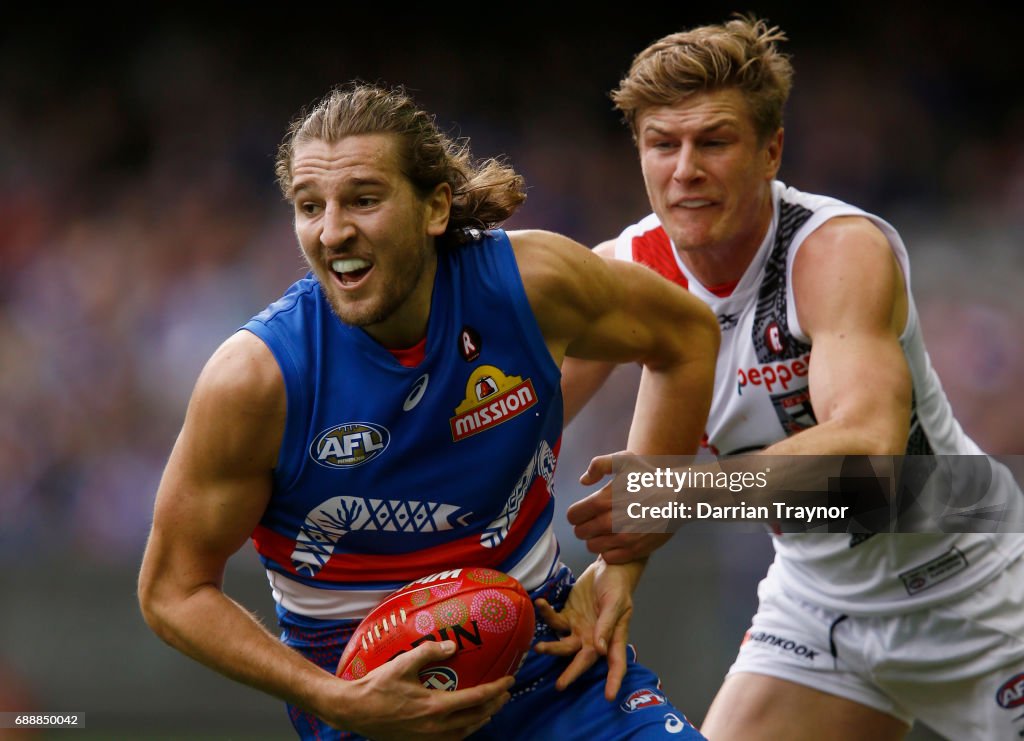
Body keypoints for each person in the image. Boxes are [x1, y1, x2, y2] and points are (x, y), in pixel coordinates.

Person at [137, 83, 718, 741]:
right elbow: (171, 591)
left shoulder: (532, 285)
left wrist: (626, 556)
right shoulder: (257, 379)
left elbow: (688, 338)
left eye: (363, 199)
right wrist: (334, 697)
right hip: (374, 710)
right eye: (309, 206)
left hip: (556, 666)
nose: (333, 231)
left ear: (435, 207)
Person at [560, 16, 1024, 741]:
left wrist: (669, 490)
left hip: (973, 585)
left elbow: (870, 458)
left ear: (771, 150)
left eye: (713, 141)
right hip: (817, 606)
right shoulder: (624, 272)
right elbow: (518, 415)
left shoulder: (837, 250)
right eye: (663, 144)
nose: (685, 169)